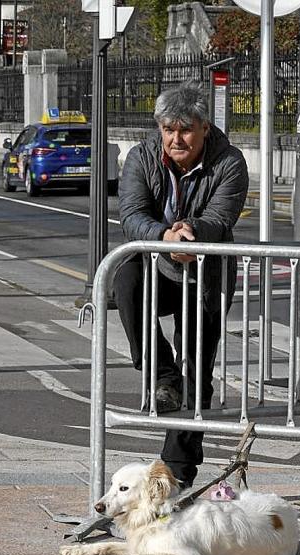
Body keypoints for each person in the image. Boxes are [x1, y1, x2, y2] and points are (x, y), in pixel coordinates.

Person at [113, 81, 249, 490]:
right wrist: (163, 236)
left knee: (197, 371)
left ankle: (177, 471)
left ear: (204, 128)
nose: (176, 139)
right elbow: (131, 214)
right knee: (125, 275)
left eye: (186, 129)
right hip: (158, 264)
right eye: (168, 129)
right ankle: (160, 371)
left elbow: (222, 216)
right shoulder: (140, 157)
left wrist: (192, 233)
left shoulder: (230, 162)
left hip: (206, 275)